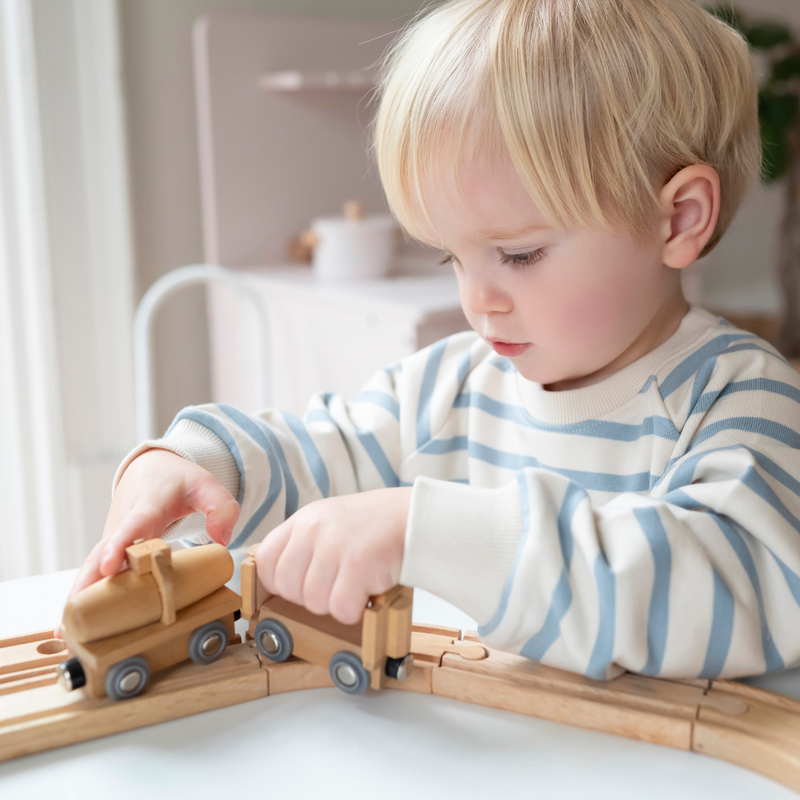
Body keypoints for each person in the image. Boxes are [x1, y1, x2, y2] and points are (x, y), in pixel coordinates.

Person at [59, 0, 800, 681]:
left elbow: (736, 586)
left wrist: (432, 530)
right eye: (453, 256)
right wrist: (196, 462)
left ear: (677, 220)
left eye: (519, 255)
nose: (477, 299)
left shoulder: (739, 399)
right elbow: (326, 449)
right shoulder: (451, 386)